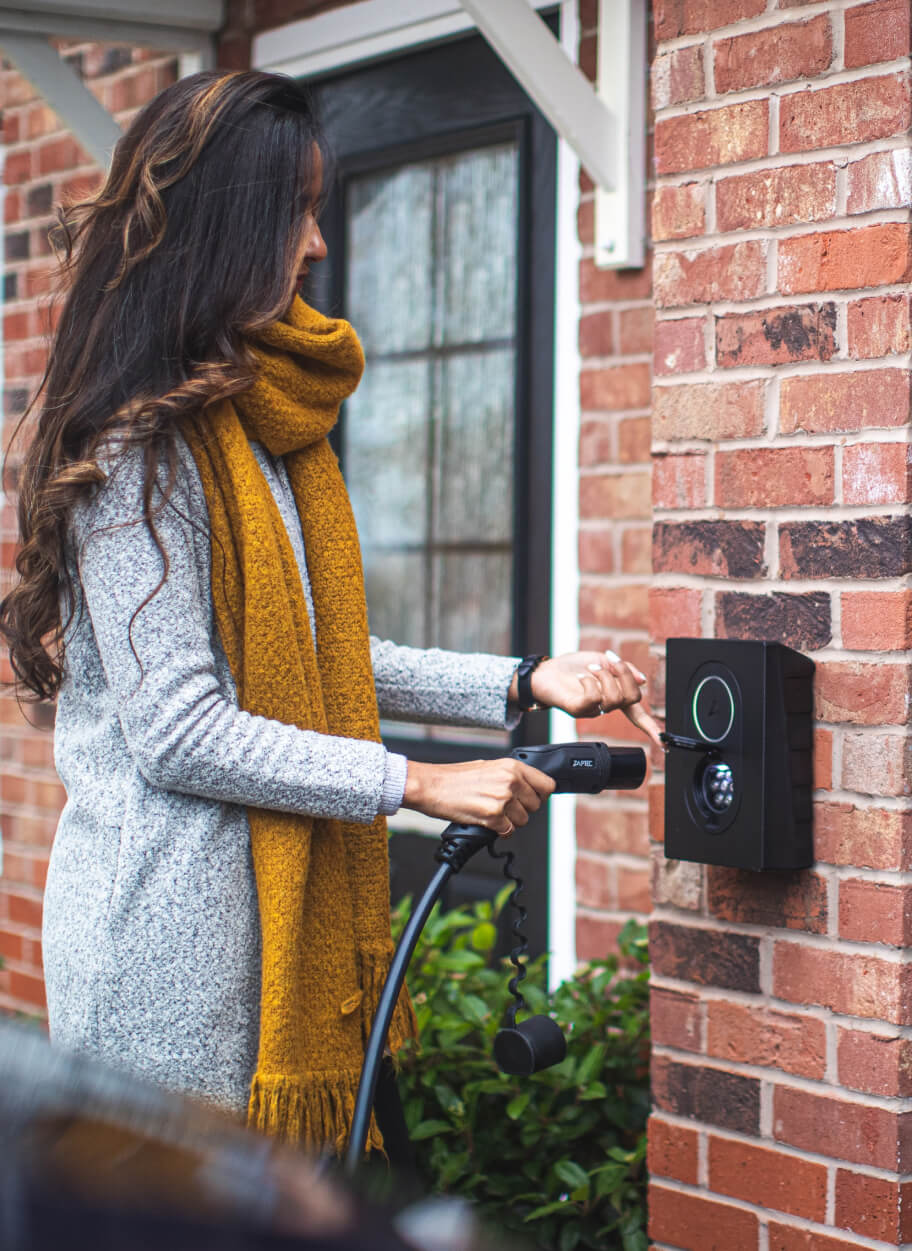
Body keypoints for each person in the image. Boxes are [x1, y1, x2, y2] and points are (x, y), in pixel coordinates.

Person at [0, 70, 661, 1155]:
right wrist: (420, 782)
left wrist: (519, 678)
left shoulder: (258, 439)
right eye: (298, 212)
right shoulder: (140, 451)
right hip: (172, 964)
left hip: (269, 943)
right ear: (230, 224)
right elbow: (181, 730)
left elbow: (315, 657)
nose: (318, 245)